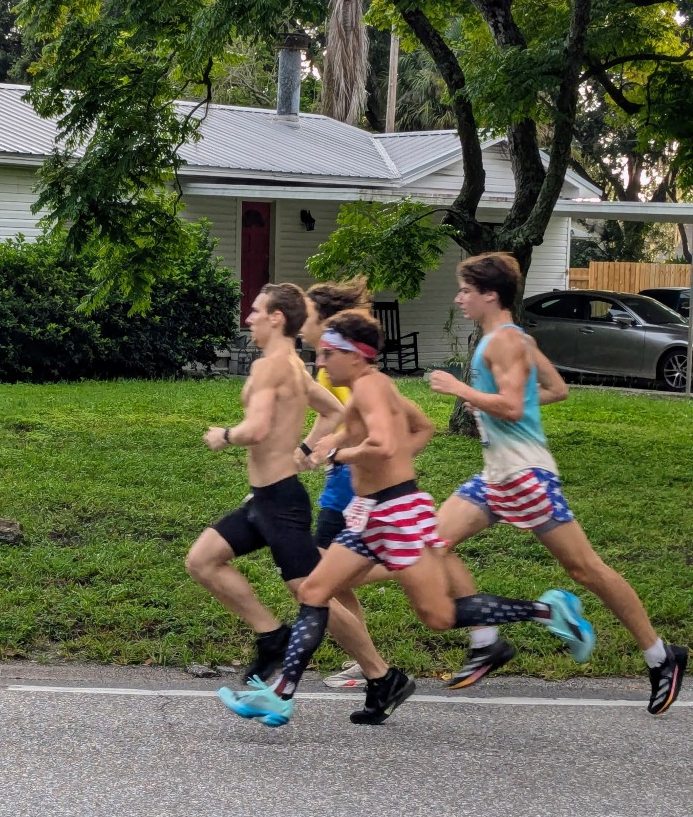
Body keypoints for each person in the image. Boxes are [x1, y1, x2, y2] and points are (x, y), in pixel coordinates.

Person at [218, 308, 595, 728]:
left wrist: (345, 455)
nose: (320, 362)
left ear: (355, 355)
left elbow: (379, 442)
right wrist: (352, 447)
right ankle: (281, 696)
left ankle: (548, 611)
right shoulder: (369, 389)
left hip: (398, 514)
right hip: (369, 512)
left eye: (328, 354)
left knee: (439, 617)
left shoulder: (371, 389)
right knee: (314, 589)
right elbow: (421, 426)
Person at [430, 251, 686, 714]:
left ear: (490, 294)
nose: (459, 298)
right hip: (497, 474)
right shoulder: (517, 340)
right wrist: (488, 403)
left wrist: (462, 390)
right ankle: (487, 643)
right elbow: (554, 390)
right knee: (434, 542)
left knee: (585, 569)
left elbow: (510, 406)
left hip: (525, 474)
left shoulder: (503, 343)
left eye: (466, 290)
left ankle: (661, 655)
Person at [186, 283, 385, 689]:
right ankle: (271, 635)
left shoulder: (270, 367)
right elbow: (334, 411)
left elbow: (256, 430)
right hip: (265, 499)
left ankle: (382, 674)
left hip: (280, 502)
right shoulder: (295, 365)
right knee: (202, 560)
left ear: (277, 318)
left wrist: (224, 434)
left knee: (313, 594)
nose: (249, 318)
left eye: (256, 310)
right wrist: (308, 447)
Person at [297, 279, 435, 688]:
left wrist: (326, 448)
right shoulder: (332, 358)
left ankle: (403, 561)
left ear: (320, 319)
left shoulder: (342, 360)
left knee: (324, 570)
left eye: (303, 314)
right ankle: (365, 658)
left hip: (347, 477)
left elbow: (349, 414)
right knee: (329, 573)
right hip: (341, 472)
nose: (298, 323)